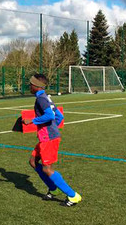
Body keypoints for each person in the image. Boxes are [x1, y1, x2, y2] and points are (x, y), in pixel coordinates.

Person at [23, 74, 82, 207]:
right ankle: (53, 188)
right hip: (47, 136)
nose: (29, 86)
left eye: (31, 84)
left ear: (36, 86)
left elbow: (49, 115)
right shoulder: (46, 98)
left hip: (48, 138)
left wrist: (32, 121)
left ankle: (73, 196)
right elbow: (59, 116)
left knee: (47, 169)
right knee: (33, 161)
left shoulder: (41, 99)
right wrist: (52, 127)